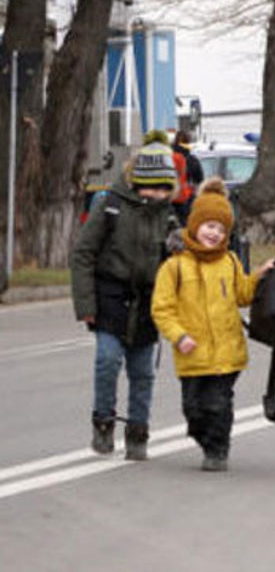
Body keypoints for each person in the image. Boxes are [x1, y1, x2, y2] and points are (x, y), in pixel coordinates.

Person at [71, 132, 181, 461]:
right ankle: (103, 422)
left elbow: (178, 267)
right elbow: (83, 255)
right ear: (136, 180)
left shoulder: (169, 216)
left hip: (148, 303)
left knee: (143, 371)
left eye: (164, 188)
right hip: (111, 297)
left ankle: (138, 431)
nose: (157, 194)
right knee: (107, 360)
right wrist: (86, 306)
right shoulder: (111, 206)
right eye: (152, 186)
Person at [150, 178, 273, 471]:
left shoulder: (229, 262)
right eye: (209, 226)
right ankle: (204, 437)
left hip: (226, 353)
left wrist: (257, 276)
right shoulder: (175, 267)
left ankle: (218, 450)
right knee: (193, 409)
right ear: (194, 224)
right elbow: (162, 309)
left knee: (218, 404)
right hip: (192, 354)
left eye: (220, 230)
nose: (214, 234)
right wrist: (179, 337)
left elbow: (242, 295)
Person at [171, 129, 204, 224]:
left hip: (168, 198)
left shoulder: (167, 158)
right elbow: (199, 180)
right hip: (185, 198)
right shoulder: (192, 160)